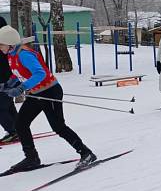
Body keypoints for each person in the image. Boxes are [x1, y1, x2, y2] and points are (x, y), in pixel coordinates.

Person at [0, 26, 96, 172]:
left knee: (58, 126)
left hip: (49, 92)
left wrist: (21, 88)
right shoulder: (11, 55)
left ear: (10, 43)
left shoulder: (24, 54)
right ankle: (32, 158)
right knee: (20, 124)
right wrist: (9, 84)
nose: (0, 48)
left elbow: (40, 74)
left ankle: (86, 153)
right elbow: (18, 73)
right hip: (36, 93)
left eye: (1, 45)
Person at [0, 15, 18, 143]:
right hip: (6, 76)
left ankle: (13, 131)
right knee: (8, 106)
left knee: (2, 107)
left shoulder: (4, 44)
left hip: (5, 77)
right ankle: (19, 129)